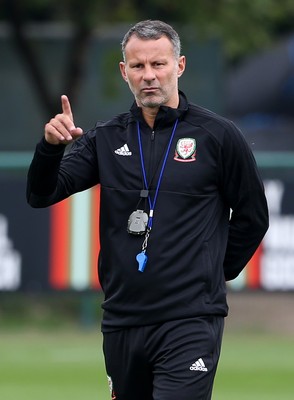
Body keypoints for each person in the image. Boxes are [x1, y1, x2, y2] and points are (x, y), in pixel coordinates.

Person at [27, 19, 269, 400]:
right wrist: (49, 149)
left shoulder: (219, 136)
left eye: (158, 64)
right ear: (124, 72)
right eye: (138, 66)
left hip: (189, 319)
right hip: (123, 318)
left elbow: (254, 217)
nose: (149, 76)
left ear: (180, 65)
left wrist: (209, 273)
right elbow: (42, 194)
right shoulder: (106, 137)